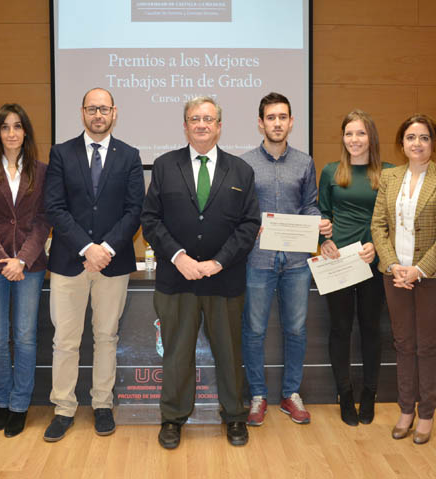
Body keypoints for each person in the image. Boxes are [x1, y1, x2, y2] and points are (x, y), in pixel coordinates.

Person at [141, 96, 260, 449]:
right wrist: (178, 257)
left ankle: (235, 416)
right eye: (195, 118)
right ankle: (173, 419)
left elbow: (249, 224)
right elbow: (150, 220)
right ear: (185, 125)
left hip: (224, 279)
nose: (202, 124)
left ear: (220, 126)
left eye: (209, 119)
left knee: (229, 352)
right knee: (177, 354)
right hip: (177, 278)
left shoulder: (241, 170)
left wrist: (219, 261)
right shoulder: (164, 166)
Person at [43, 88, 144, 440]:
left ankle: (102, 404)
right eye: (91, 108)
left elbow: (135, 211)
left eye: (104, 109)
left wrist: (105, 249)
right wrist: (87, 247)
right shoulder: (61, 153)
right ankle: (64, 408)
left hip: (113, 263)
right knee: (66, 340)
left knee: (106, 337)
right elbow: (54, 207)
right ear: (82, 112)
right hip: (69, 261)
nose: (98, 114)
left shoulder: (129, 156)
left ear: (114, 113)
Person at [240, 92, 332, 426]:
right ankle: (258, 395)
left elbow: (309, 203)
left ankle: (290, 393)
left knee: (296, 329)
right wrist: (252, 228)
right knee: (253, 330)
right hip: (258, 259)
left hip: (296, 261)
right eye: (271, 117)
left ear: (291, 122)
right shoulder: (245, 163)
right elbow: (242, 212)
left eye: (283, 117)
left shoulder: (304, 162)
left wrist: (318, 219)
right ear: (260, 122)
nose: (277, 123)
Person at [371, 114, 436, 445]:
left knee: (427, 344)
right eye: (411, 137)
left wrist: (418, 269)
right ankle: (406, 409)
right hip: (394, 275)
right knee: (404, 343)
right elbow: (378, 225)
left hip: (432, 276)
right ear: (402, 142)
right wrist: (393, 265)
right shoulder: (389, 177)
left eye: (424, 137)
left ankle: (426, 414)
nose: (417, 143)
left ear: (433, 143)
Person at [0, 104, 50, 438]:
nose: (12, 133)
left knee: (26, 337)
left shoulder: (41, 171)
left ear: (26, 131)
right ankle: (1, 401)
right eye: (5, 127)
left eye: (17, 126)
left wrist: (23, 260)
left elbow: (44, 219)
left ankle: (19, 405)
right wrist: (4, 260)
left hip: (29, 267)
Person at [317, 109, 391, 426]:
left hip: (373, 263)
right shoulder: (331, 171)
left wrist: (378, 245)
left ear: (370, 137)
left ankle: (369, 395)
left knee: (372, 330)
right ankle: (345, 395)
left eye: (360, 133)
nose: (354, 139)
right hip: (338, 263)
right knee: (340, 330)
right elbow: (322, 214)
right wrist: (322, 241)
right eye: (349, 133)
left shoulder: (388, 173)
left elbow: (392, 219)